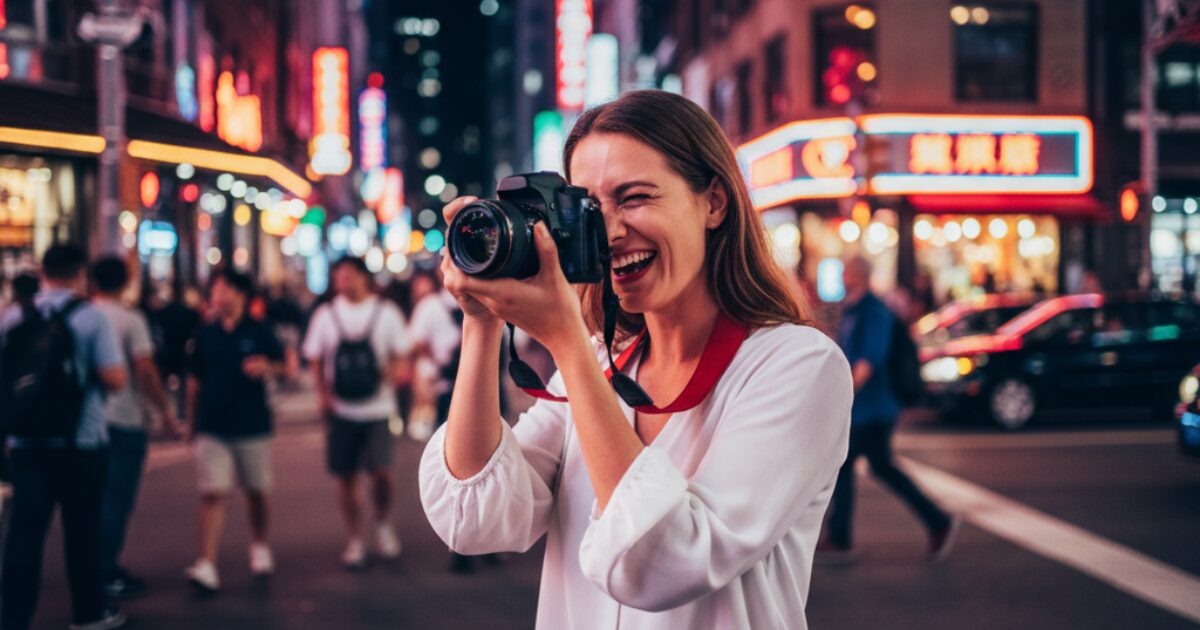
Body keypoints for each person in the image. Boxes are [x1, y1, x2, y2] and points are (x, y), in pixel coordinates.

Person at [419, 90, 852, 629]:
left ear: (714, 202)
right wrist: (481, 319)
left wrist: (567, 341)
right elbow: (478, 519)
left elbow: (667, 562)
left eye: (635, 197)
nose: (612, 231)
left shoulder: (797, 365)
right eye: (590, 208)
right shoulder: (603, 361)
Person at [0, 245, 128, 630]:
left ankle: (13, 617)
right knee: (82, 530)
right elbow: (114, 378)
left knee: (24, 534)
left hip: (24, 444)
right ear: (80, 273)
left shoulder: (13, 316)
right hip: (81, 442)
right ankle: (88, 612)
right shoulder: (91, 317)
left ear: (42, 272)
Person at [819, 257, 959, 564]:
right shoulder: (852, 309)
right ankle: (937, 521)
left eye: (846, 273)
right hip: (863, 409)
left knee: (847, 465)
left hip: (875, 408)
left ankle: (841, 537)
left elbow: (869, 362)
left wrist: (843, 396)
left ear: (859, 276)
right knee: (880, 467)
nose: (842, 278)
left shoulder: (875, 312)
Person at [183, 269, 291, 592]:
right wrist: (191, 421)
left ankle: (259, 544)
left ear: (241, 294)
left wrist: (268, 367)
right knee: (212, 491)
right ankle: (207, 562)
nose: (218, 296)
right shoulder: (204, 334)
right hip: (212, 425)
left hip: (252, 424)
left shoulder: (260, 332)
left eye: (224, 289)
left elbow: (286, 367)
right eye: (215, 290)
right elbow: (193, 380)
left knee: (257, 491)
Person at [302, 257, 409, 570]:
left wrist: (389, 375)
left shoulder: (386, 312)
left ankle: (383, 521)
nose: (343, 282)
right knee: (345, 477)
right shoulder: (326, 314)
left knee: (382, 472)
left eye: (348, 276)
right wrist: (322, 396)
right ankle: (356, 537)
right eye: (338, 277)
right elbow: (316, 358)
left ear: (364, 278)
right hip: (341, 410)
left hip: (378, 409)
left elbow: (401, 353)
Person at [91, 257, 181, 598]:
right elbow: (144, 368)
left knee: (92, 499)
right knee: (117, 498)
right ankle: (106, 569)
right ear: (126, 280)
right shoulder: (130, 320)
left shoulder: (83, 315)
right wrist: (165, 412)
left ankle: (92, 568)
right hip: (125, 418)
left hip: (87, 423)